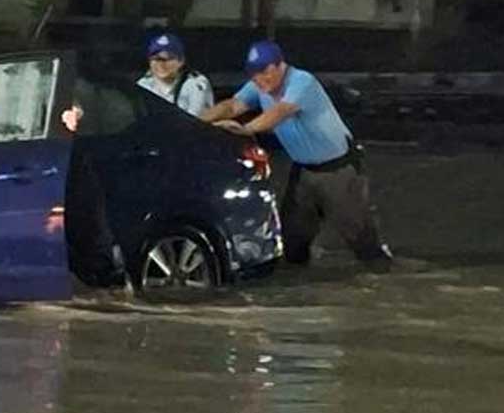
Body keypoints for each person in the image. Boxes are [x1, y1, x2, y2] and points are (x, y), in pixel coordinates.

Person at [200, 40, 392, 266]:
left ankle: (385, 274)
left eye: (265, 72)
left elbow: (280, 112)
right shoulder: (258, 86)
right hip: (303, 172)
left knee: (363, 243)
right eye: (254, 74)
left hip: (339, 171)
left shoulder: (302, 82)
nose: (260, 79)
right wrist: (196, 122)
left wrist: (245, 129)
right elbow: (232, 106)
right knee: (292, 243)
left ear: (280, 66)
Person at [137, 33, 213, 117]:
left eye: (168, 59)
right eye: (156, 59)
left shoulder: (195, 83)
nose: (161, 64)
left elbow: (194, 120)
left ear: (181, 61)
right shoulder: (144, 84)